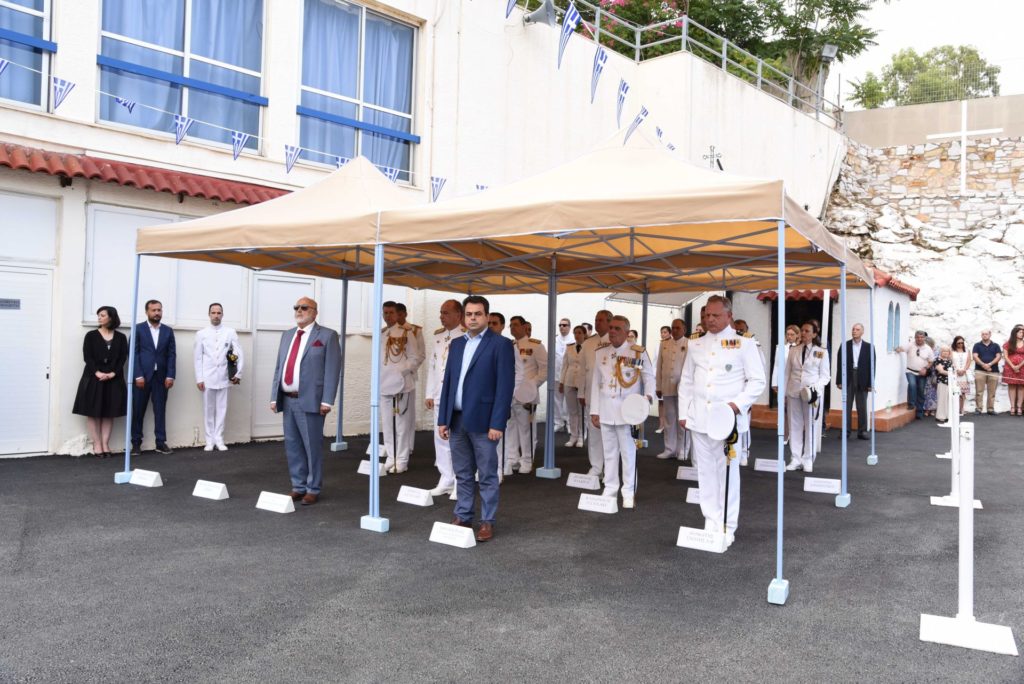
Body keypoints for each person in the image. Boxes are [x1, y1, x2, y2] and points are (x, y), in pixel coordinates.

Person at [678, 296, 765, 546]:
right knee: (705, 473)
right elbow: (687, 380)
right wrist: (684, 413)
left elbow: (757, 381)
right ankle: (711, 520)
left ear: (729, 316)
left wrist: (736, 406)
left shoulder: (744, 343)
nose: (710, 319)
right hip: (700, 418)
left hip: (727, 421)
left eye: (715, 315)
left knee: (727, 473)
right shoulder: (695, 343)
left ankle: (727, 524)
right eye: (707, 315)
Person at [437, 295, 515, 542]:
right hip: (456, 419)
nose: (473, 318)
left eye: (478, 314)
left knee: (488, 474)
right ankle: (463, 515)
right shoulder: (457, 344)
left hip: (484, 421)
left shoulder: (501, 344)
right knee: (462, 472)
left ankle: (487, 521)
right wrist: (443, 419)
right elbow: (448, 383)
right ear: (464, 317)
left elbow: (505, 387)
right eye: (469, 314)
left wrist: (497, 423)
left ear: (487, 316)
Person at [269, 297, 340, 505]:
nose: (299, 311)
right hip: (288, 400)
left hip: (311, 400)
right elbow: (279, 367)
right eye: (296, 308)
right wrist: (274, 396)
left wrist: (327, 400)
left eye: (304, 307)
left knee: (312, 447)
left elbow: (332, 369)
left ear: (315, 312)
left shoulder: (327, 335)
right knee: (292, 446)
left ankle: (313, 488)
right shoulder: (287, 335)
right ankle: (298, 486)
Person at [589, 315, 655, 509]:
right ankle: (610, 489)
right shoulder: (601, 352)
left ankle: (628, 492)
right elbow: (596, 383)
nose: (612, 331)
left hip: (628, 412)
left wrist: (647, 399)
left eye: (617, 328)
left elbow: (649, 378)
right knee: (609, 453)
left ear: (627, 332)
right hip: (606, 410)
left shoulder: (637, 352)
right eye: (611, 327)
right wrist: (595, 410)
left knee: (628, 453)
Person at [73, 306, 128, 458]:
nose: (99, 317)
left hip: (113, 379)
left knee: (109, 412)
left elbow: (122, 358)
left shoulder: (121, 337)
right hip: (93, 378)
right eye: (98, 315)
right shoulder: (91, 335)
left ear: (111, 317)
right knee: (93, 412)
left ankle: (105, 444)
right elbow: (87, 357)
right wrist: (97, 372)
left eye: (102, 315)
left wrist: (112, 373)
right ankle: (96, 444)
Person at [425, 299, 465, 496]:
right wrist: (429, 393)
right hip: (440, 394)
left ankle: (460, 481)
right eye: (441, 312)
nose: (441, 316)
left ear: (458, 315)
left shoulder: (466, 336)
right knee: (440, 438)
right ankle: (446, 478)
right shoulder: (439, 336)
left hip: (456, 396)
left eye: (446, 313)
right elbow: (433, 366)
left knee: (457, 440)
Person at [379, 301, 424, 473]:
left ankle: (402, 459)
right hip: (384, 384)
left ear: (397, 314)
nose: (388, 316)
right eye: (385, 312)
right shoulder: (382, 333)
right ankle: (391, 457)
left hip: (402, 384)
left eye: (391, 312)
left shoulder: (407, 332)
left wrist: (400, 372)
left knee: (402, 424)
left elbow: (414, 357)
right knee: (387, 424)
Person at [193, 303, 243, 451]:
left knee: (222, 409)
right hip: (207, 377)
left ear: (222, 314)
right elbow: (197, 358)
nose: (216, 315)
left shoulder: (230, 332)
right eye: (213, 313)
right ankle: (209, 440)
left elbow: (239, 353)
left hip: (224, 376)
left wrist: (238, 373)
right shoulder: (201, 334)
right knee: (208, 409)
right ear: (209, 314)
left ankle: (219, 439)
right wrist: (199, 378)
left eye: (218, 313)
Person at [782, 322, 831, 472]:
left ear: (814, 334)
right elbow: (787, 372)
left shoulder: (821, 352)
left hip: (811, 394)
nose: (803, 333)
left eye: (807, 331)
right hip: (794, 391)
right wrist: (783, 393)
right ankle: (795, 458)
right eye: (802, 330)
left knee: (810, 426)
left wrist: (815, 388)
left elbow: (825, 376)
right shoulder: (794, 350)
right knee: (794, 425)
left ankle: (808, 459)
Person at [131, 299, 176, 455]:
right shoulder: (138, 329)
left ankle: (160, 442)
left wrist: (170, 375)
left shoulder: (168, 331)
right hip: (142, 377)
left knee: (160, 410)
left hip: (161, 377)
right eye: (154, 310)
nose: (157, 313)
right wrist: (137, 375)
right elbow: (133, 354)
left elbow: (171, 354)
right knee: (138, 410)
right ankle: (136, 443)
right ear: (147, 312)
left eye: (159, 310)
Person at [506, 315, 547, 474]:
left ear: (524, 327)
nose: (512, 328)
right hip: (510, 392)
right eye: (510, 325)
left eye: (515, 325)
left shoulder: (536, 345)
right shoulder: (509, 345)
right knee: (510, 426)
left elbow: (545, 369)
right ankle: (512, 458)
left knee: (526, 428)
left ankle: (527, 459)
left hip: (527, 394)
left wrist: (531, 386)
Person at [579, 310, 612, 478]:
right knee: (593, 433)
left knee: (610, 435)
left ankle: (609, 469)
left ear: (609, 322)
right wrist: (581, 392)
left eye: (601, 320)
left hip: (610, 396)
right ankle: (596, 467)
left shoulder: (616, 341)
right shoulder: (588, 343)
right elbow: (582, 370)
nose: (597, 323)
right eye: (596, 320)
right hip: (592, 394)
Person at [656, 318, 689, 461]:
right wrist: (658, 386)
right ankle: (669, 449)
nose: (674, 330)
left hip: (683, 389)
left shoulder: (689, 344)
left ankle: (683, 449)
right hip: (667, 386)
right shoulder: (664, 344)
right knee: (669, 419)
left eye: (678, 328)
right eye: (673, 328)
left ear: (684, 329)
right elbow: (659, 366)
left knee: (682, 420)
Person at [835, 323, 873, 440]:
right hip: (848, 376)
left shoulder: (869, 347)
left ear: (862, 332)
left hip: (863, 378)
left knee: (862, 406)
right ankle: (845, 431)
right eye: (853, 329)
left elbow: (872, 366)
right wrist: (839, 380)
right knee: (846, 405)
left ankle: (862, 431)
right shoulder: (845, 345)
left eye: (857, 329)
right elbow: (839, 363)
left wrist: (870, 383)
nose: (854, 331)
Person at [559, 325, 587, 448]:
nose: (577, 335)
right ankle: (573, 436)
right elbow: (564, 365)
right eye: (575, 333)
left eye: (580, 333)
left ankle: (581, 436)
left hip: (582, 383)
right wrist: (561, 382)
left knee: (582, 412)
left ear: (584, 334)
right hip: (569, 381)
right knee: (572, 411)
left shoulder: (588, 347)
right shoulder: (569, 347)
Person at [900, 331, 934, 419]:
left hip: (922, 373)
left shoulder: (928, 348)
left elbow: (931, 361)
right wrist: (897, 349)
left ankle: (919, 411)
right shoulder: (910, 345)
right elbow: (901, 349)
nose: (919, 339)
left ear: (924, 338)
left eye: (921, 337)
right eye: (917, 337)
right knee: (912, 385)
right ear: (915, 338)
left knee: (921, 390)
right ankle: (911, 404)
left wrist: (925, 368)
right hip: (910, 370)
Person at [553, 318, 573, 433]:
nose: (562, 327)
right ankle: (558, 422)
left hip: (569, 376)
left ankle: (569, 423)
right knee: (557, 400)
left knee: (569, 401)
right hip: (556, 374)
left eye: (565, 325)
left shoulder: (573, 340)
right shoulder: (554, 339)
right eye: (560, 325)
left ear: (569, 327)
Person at [1003, 324, 1024, 415]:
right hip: (1010, 368)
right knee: (1011, 386)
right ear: (1015, 333)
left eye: (1022, 332)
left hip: (1022, 367)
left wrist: (1019, 366)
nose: (1022, 334)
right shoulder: (1008, 343)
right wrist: (1013, 366)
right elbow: (1005, 356)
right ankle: (1012, 406)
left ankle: (1019, 407)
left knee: (1021, 386)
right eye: (1020, 332)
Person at [950, 336, 971, 417]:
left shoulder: (967, 351)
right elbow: (951, 361)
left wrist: (964, 370)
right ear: (955, 343)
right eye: (958, 343)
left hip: (964, 374)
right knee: (955, 393)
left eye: (962, 343)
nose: (960, 344)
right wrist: (957, 370)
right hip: (955, 374)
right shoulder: (952, 351)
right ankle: (955, 409)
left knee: (962, 393)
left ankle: (961, 409)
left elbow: (969, 361)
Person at [934, 345, 953, 424]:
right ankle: (940, 416)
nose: (945, 353)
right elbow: (941, 371)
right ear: (941, 352)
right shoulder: (938, 360)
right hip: (942, 381)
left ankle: (947, 416)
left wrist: (952, 374)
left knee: (948, 399)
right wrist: (952, 373)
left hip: (950, 382)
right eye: (943, 351)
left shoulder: (950, 361)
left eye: (947, 351)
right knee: (942, 399)